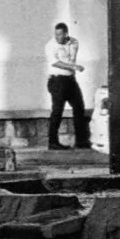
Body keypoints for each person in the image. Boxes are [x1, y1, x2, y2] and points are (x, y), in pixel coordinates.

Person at [46, 22, 90, 152]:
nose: (57, 37)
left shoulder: (74, 42)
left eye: (60, 34)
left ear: (66, 34)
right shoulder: (50, 45)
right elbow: (55, 63)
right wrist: (74, 67)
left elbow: (71, 58)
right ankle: (53, 142)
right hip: (57, 80)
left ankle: (81, 141)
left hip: (70, 80)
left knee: (79, 107)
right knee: (57, 110)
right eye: (56, 34)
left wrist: (72, 69)